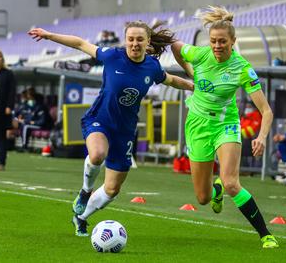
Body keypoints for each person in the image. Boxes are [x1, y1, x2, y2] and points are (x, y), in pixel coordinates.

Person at [28, 20, 194, 236]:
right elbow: (79, 43)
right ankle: (85, 191)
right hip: (99, 119)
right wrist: (49, 35)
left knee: (112, 189)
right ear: (126, 41)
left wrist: (192, 85)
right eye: (131, 39)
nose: (135, 44)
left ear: (147, 42)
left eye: (139, 39)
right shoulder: (112, 56)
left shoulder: (152, 67)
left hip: (125, 130)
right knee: (97, 155)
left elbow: (170, 80)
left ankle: (81, 217)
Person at [171, 6, 278, 248]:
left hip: (226, 125)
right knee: (203, 197)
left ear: (233, 42)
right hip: (197, 125)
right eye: (213, 41)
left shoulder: (242, 68)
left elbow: (266, 111)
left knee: (231, 182)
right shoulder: (200, 54)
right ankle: (215, 189)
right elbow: (176, 47)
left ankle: (266, 235)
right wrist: (190, 72)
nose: (217, 46)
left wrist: (261, 136)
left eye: (222, 42)